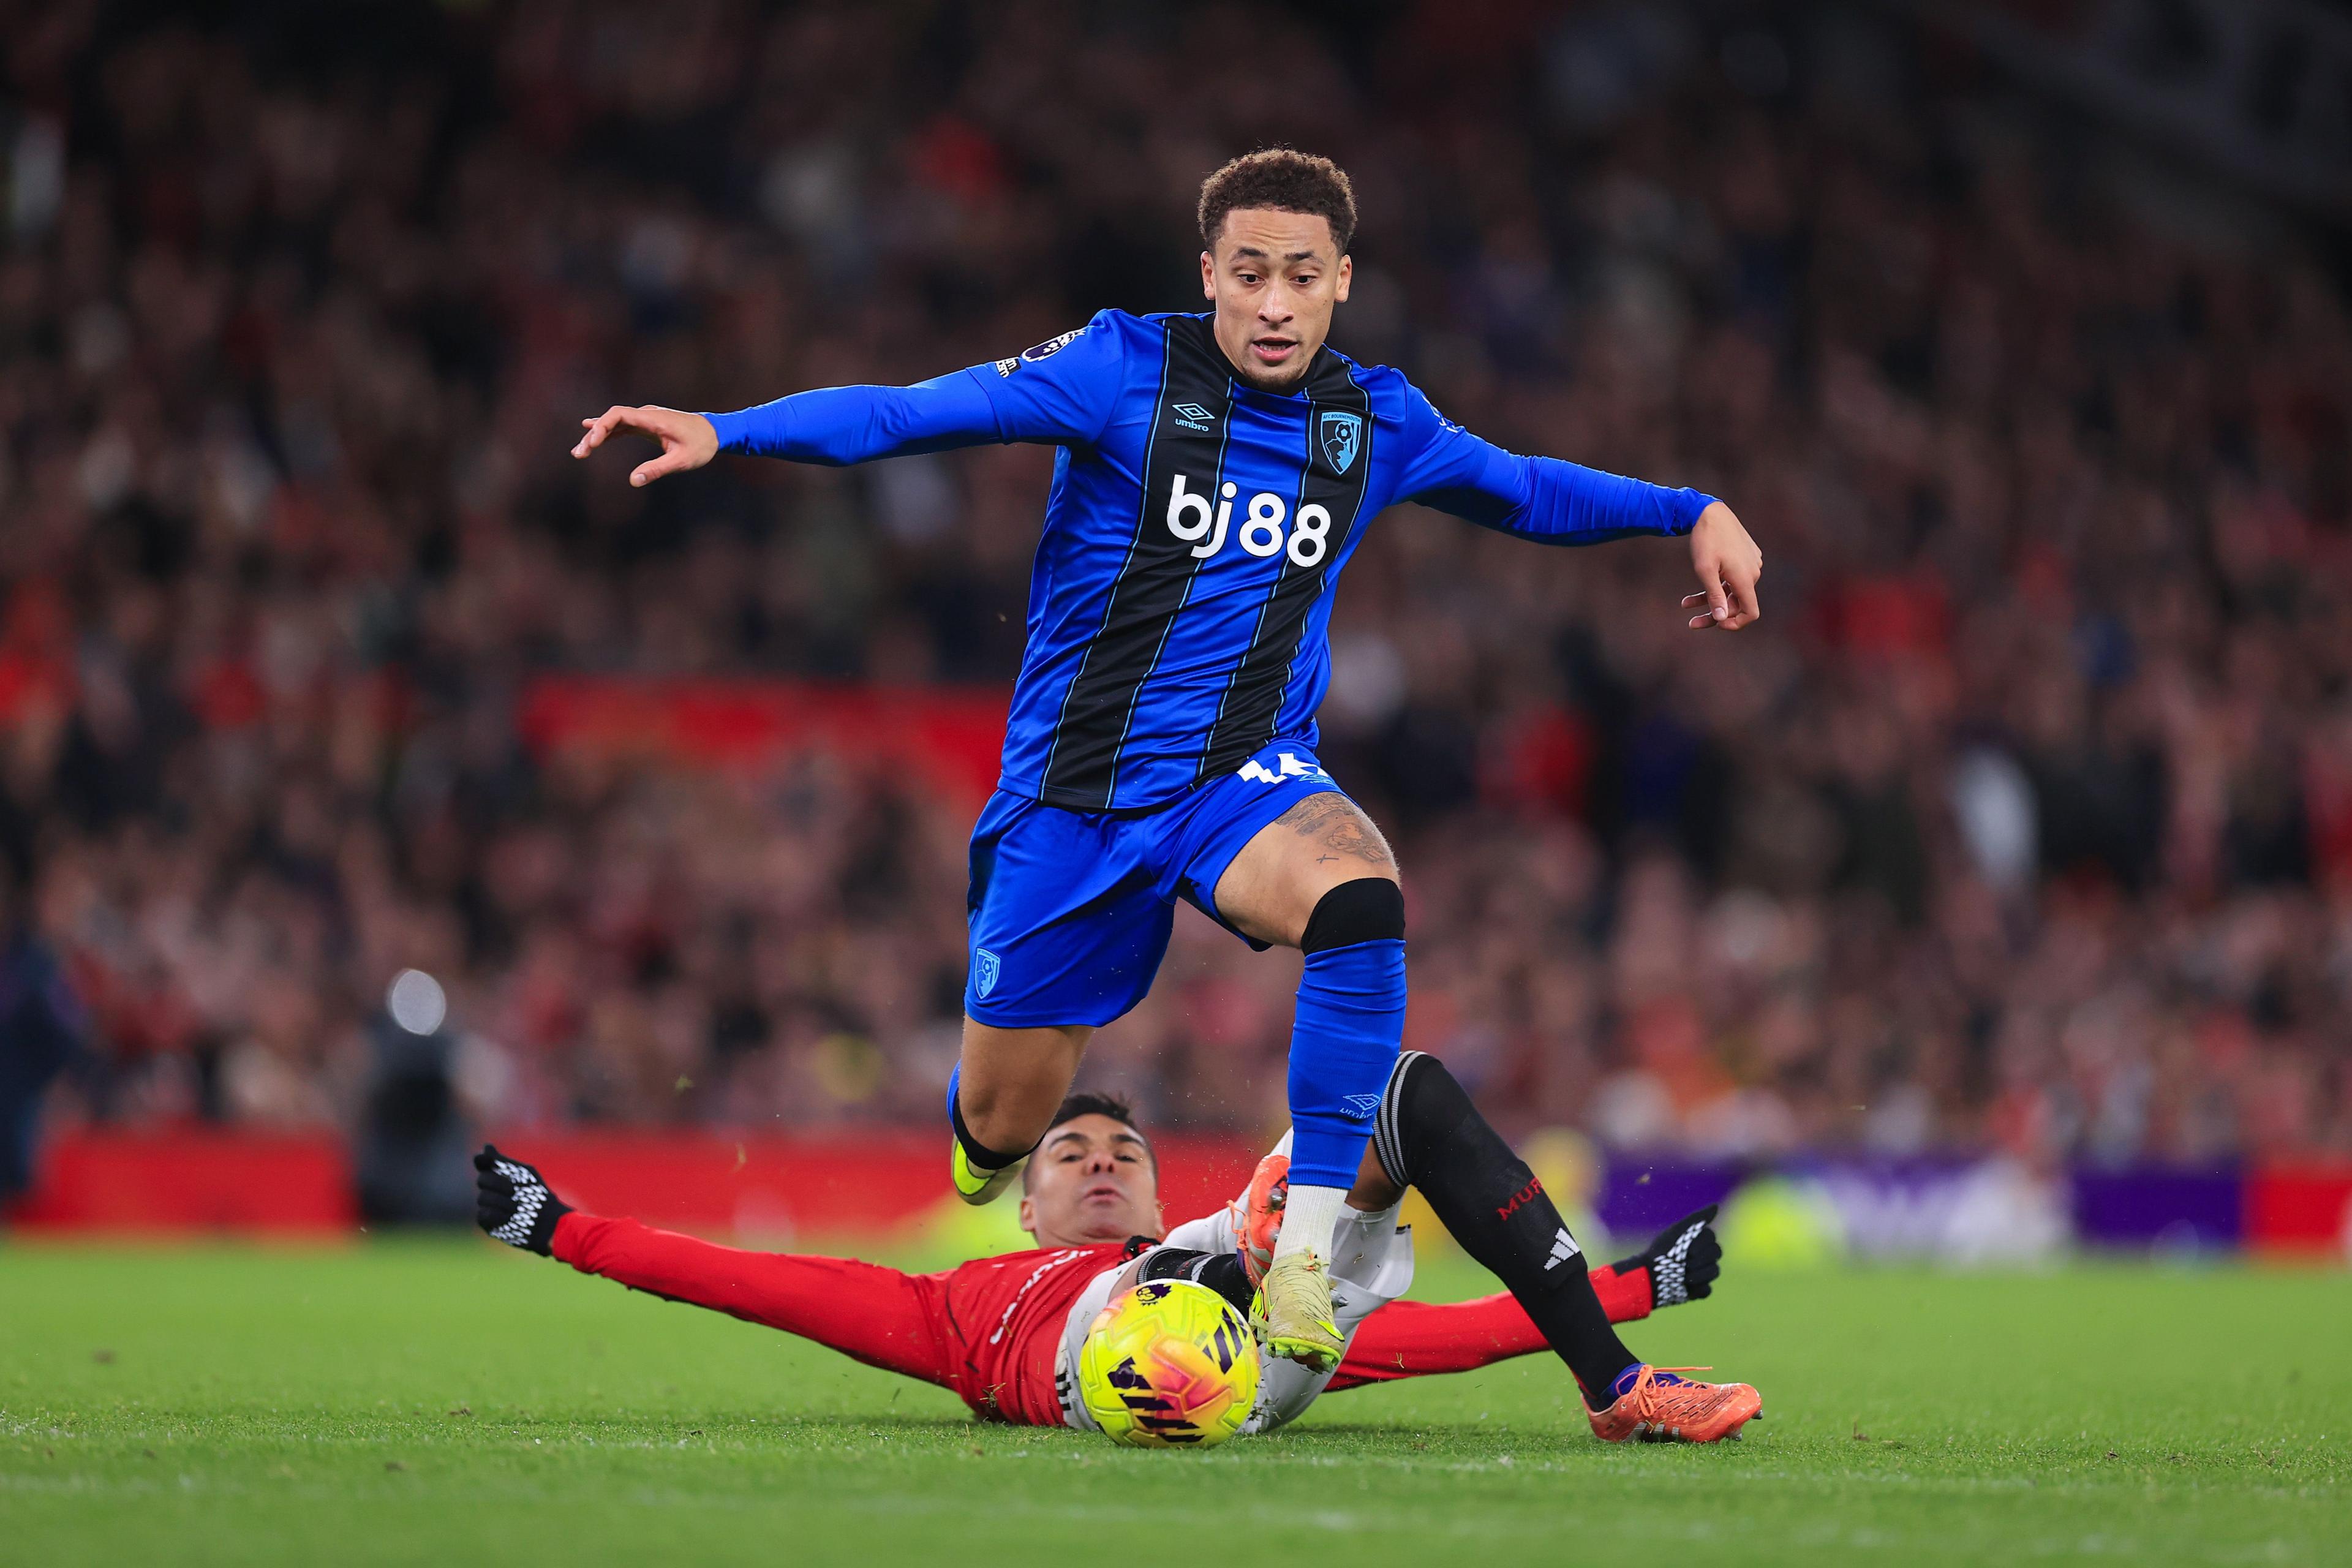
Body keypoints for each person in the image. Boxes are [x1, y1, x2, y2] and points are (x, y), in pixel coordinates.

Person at [571, 148, 1764, 1373]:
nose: (1274, 302)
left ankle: (1301, 1254)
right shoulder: (1120, 368)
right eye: (1249, 273)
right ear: (1210, 275)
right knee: (1003, 1120)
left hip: (1238, 778)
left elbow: (1523, 489)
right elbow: (906, 413)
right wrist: (728, 428)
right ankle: (982, 1146)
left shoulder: (1374, 420)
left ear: (1342, 281)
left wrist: (1689, 508)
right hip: (1071, 807)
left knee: (1361, 894)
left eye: (1302, 275)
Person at [475, 1055, 1761, 1443]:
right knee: (1255, 1265)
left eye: (1120, 1152)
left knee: (1407, 1091)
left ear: (1154, 1191)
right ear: (1027, 1206)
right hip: (1130, 1346)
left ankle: (1619, 1380)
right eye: (1069, 1152)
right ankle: (1247, 1279)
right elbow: (764, 1280)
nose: (1098, 1158)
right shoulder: (956, 1303)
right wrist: (559, 1226)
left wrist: (1641, 1283)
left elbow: (1445, 1338)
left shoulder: (1203, 1233)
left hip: (1243, 1316)